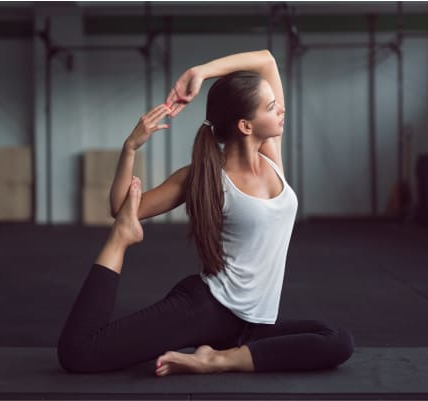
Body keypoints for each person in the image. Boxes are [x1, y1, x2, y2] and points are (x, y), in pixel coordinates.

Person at [57, 50, 354, 376]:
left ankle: (218, 360)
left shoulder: (270, 157)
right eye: (270, 107)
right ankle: (119, 243)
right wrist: (130, 148)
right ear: (245, 125)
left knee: (337, 340)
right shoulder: (204, 176)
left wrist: (200, 71)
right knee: (79, 354)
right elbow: (122, 209)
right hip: (205, 308)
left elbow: (267, 61)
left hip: (251, 327)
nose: (281, 109)